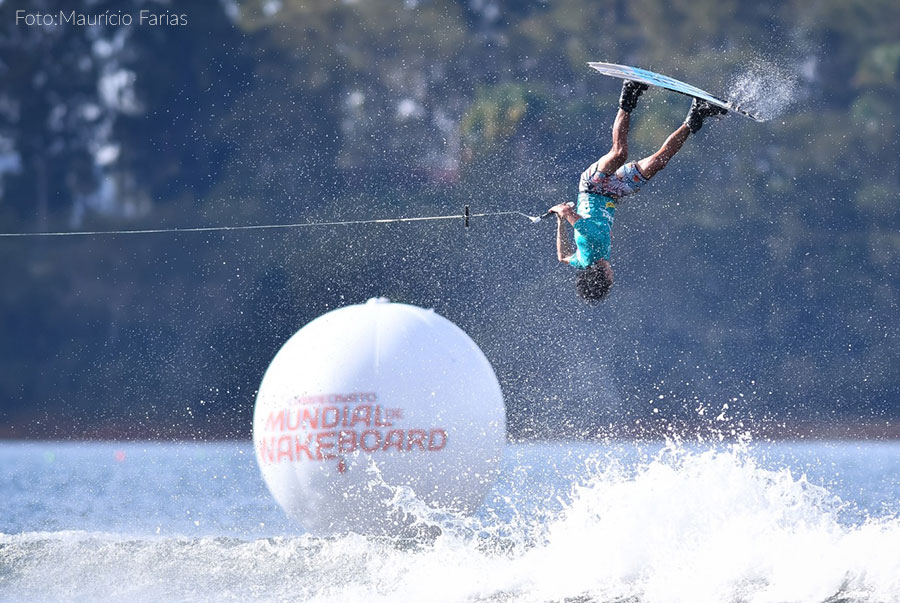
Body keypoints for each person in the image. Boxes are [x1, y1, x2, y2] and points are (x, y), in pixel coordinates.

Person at [549, 80, 727, 303]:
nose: (614, 277)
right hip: (613, 192)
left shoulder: (590, 245)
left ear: (602, 276)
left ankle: (629, 93)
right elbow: (562, 257)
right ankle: (696, 115)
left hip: (592, 186)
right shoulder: (586, 261)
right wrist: (558, 222)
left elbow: (575, 221)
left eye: (610, 280)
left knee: (619, 153)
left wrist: (563, 212)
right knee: (658, 162)